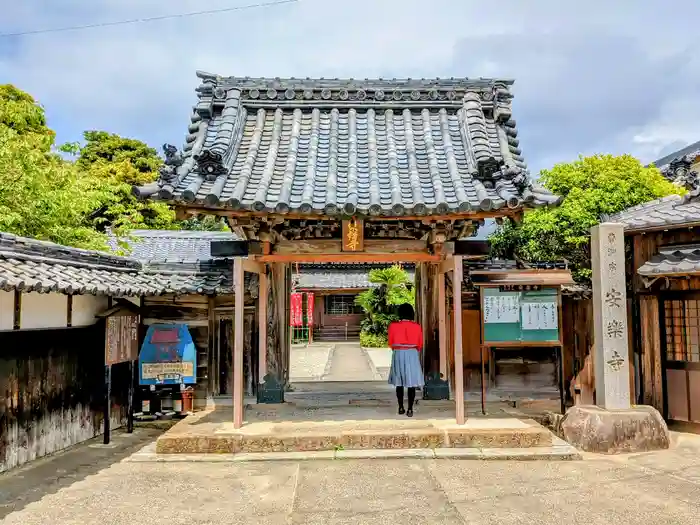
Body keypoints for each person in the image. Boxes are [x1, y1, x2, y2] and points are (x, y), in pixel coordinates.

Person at [387, 303, 425, 417]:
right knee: (411, 383)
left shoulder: (393, 326)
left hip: (398, 353)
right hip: (412, 353)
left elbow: (390, 343)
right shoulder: (417, 327)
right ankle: (410, 409)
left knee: (399, 382)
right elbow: (420, 344)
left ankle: (400, 407)